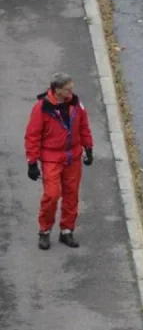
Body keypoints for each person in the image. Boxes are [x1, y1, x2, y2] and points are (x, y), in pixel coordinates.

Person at [25, 72, 94, 250]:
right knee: (52, 195)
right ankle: (45, 231)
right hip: (52, 159)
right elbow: (32, 136)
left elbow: (84, 126)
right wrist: (32, 162)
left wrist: (88, 147)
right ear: (56, 91)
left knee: (72, 195)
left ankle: (66, 231)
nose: (71, 92)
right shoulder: (41, 108)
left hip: (73, 157)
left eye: (72, 88)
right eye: (67, 89)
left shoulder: (76, 104)